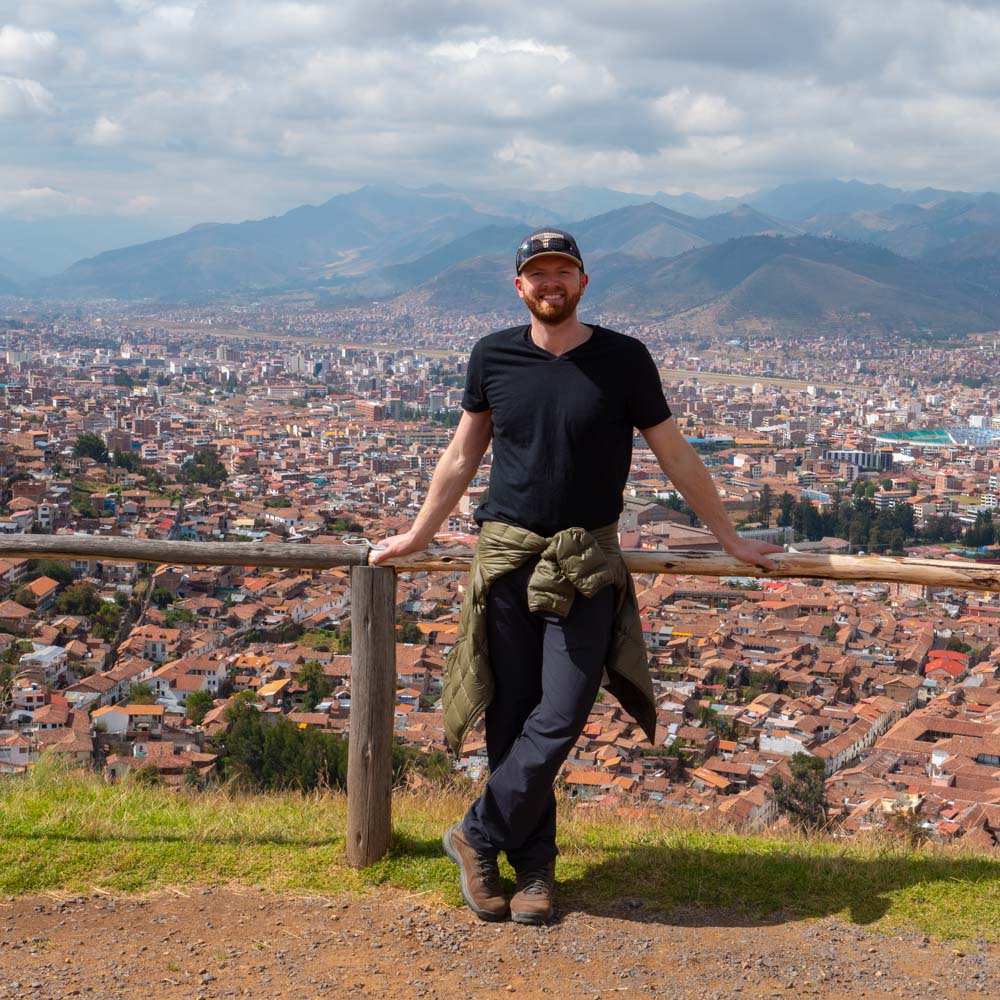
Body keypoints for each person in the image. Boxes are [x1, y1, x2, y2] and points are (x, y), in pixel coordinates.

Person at [372, 228, 782, 924]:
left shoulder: (624, 360)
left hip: (586, 562)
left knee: (559, 715)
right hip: (506, 557)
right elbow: (460, 457)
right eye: (539, 273)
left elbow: (676, 456)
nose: (551, 282)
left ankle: (475, 833)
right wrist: (418, 534)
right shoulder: (492, 356)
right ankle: (530, 873)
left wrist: (729, 537)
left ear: (584, 282)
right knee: (511, 718)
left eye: (563, 271)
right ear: (520, 286)